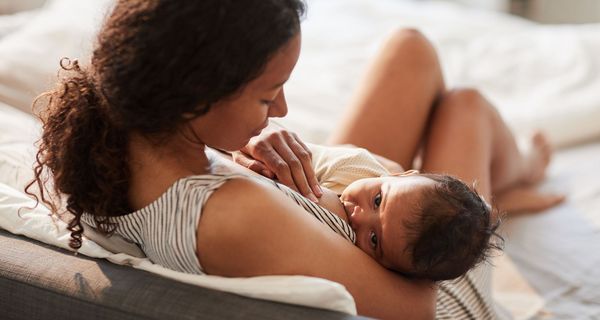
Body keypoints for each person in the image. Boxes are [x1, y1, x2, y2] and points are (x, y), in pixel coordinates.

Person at [25, 1, 562, 319]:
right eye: (267, 95)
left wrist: (236, 150)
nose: (281, 109)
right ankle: (512, 179)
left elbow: (307, 215)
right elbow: (417, 308)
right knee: (465, 109)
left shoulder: (118, 135)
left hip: (342, 212)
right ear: (195, 95)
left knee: (410, 49)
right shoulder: (234, 215)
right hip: (429, 267)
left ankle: (500, 182)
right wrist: (399, 198)